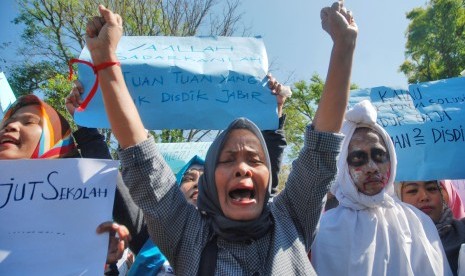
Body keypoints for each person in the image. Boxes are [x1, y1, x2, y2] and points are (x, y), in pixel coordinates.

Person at [85, 1, 356, 274]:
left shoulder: (292, 218)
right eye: (227, 160)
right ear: (210, 181)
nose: (242, 168)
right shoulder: (185, 232)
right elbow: (142, 159)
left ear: (269, 176)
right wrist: (105, 59)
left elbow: (320, 150)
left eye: (254, 159)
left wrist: (344, 45)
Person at [311, 100, 452, 275]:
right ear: (342, 166)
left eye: (379, 156)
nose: (372, 167)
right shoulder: (324, 228)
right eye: (358, 158)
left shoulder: (417, 221)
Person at [0, 94, 130, 270]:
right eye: (6, 123)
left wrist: (101, 258)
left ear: (53, 139)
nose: (10, 126)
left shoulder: (84, 209)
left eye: (28, 122)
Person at [397, 180, 465, 275]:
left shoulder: (461, 232)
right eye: (412, 191)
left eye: (431, 188)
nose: (424, 197)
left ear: (442, 196)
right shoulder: (390, 242)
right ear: (398, 198)